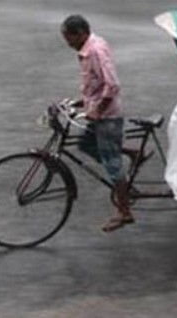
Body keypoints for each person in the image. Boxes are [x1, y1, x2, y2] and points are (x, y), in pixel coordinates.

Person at [60, 15, 133, 232]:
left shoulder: (95, 51)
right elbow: (97, 84)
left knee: (112, 163)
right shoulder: (91, 46)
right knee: (86, 145)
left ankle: (125, 212)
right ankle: (131, 152)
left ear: (80, 33)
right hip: (99, 112)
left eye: (69, 37)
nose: (68, 43)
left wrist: (97, 111)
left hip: (107, 117)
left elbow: (111, 85)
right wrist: (82, 102)